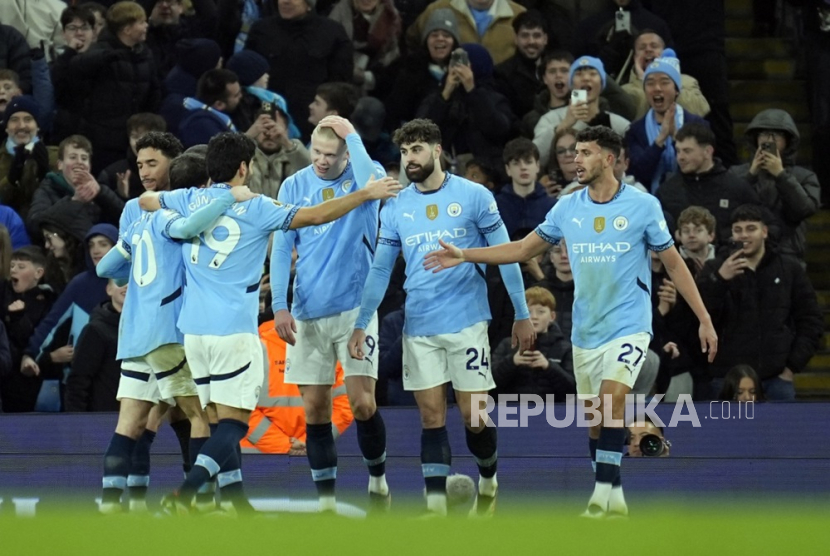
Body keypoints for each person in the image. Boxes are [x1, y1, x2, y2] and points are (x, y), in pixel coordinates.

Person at [424, 125, 717, 517]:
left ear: (608, 159)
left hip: (629, 325)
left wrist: (703, 318)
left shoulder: (643, 206)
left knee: (613, 402)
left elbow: (674, 263)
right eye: (575, 152)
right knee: (596, 423)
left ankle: (597, 501)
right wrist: (465, 254)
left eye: (584, 153)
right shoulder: (567, 207)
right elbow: (524, 248)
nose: (574, 160)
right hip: (586, 331)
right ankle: (617, 502)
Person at [139, 131, 400, 514]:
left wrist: (211, 205)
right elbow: (316, 216)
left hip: (192, 331)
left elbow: (147, 200)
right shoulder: (259, 206)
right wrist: (364, 195)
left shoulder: (189, 198)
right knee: (232, 425)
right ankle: (189, 492)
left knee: (210, 419)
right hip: (232, 330)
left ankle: (223, 503)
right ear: (244, 168)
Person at [348, 118, 534, 517]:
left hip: (467, 322)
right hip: (421, 325)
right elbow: (381, 270)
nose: (409, 159)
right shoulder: (396, 206)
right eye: (403, 152)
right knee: (431, 417)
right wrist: (362, 320)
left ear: (437, 149)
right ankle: (435, 508)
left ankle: (488, 480)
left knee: (473, 417)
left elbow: (508, 254)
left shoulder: (474, 196)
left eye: (416, 149)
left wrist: (521, 312)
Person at [95, 165, 256, 514]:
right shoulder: (169, 219)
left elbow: (104, 269)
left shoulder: (136, 222)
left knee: (132, 424)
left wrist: (135, 273)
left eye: (152, 163)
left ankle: (112, 509)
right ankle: (204, 503)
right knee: (205, 415)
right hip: (169, 331)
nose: (144, 171)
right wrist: (229, 197)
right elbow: (185, 227)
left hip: (135, 336)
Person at [270, 115, 391, 511]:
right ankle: (326, 504)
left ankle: (378, 481)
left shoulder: (364, 176)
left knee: (362, 404)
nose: (321, 161)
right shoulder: (294, 185)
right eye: (317, 152)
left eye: (330, 154)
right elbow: (280, 243)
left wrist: (352, 134)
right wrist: (279, 305)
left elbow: (370, 177)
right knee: (315, 408)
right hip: (306, 311)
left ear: (345, 154)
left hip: (355, 308)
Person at [696, 204, 823, 401]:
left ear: (764, 232)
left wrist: (791, 368)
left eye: (751, 228)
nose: (744, 235)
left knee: (781, 433)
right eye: (738, 230)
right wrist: (720, 279)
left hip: (776, 380)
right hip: (726, 379)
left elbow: (811, 320)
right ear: (731, 235)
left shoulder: (789, 268)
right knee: (724, 433)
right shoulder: (715, 269)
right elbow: (700, 317)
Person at [69, 1, 160, 173]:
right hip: (104, 141)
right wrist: (107, 57)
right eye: (141, 22)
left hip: (135, 140)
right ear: (127, 29)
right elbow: (76, 67)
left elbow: (154, 91)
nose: (146, 26)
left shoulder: (145, 53)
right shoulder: (101, 53)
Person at [241, 320, 354, 454]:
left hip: (256, 460)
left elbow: (240, 405)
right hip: (313, 455)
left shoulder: (251, 349)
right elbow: (345, 406)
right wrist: (310, 440)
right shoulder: (328, 348)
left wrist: (284, 445)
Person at [245, 0, 354, 139]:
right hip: (267, 117)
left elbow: (341, 86)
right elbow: (247, 79)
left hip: (311, 123)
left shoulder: (333, 33)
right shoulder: (261, 30)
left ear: (309, 4)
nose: (285, 2)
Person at [728, 108, 821, 263]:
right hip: (744, 251)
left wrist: (781, 175)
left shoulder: (804, 176)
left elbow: (803, 210)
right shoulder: (736, 173)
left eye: (776, 135)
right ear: (755, 138)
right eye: (764, 134)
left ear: (788, 140)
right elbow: (726, 207)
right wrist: (751, 175)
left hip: (787, 253)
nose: (769, 140)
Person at [656, 123, 760, 246]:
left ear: (707, 151)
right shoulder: (667, 190)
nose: (680, 157)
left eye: (687, 151)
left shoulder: (736, 188)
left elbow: (764, 223)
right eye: (678, 151)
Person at [624, 49, 708, 192]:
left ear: (676, 90)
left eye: (664, 82)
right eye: (650, 83)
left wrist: (676, 138)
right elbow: (638, 172)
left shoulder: (697, 125)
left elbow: (701, 166)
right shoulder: (635, 130)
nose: (657, 88)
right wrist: (660, 140)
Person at [533, 56, 630, 168]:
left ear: (602, 84)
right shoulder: (549, 119)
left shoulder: (618, 124)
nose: (586, 78)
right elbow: (534, 159)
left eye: (592, 74)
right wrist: (563, 126)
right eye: (579, 74)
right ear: (571, 84)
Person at [27, 135, 124, 239]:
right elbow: (35, 224)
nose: (79, 162)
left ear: (89, 165)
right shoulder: (47, 189)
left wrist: (101, 193)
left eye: (84, 158)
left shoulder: (100, 191)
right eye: (73, 157)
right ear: (60, 164)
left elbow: (127, 219)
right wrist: (73, 202)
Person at [491, 286, 574, 397]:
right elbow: (489, 386)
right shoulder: (507, 345)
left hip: (553, 412)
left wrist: (549, 367)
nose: (534, 317)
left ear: (552, 316)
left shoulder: (565, 348)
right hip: (509, 410)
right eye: (528, 312)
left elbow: (572, 389)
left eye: (540, 312)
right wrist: (512, 362)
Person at [0, 246, 56, 412]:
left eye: (21, 267)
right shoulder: (3, 291)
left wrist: (19, 318)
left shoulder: (48, 300)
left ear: (38, 273)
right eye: (12, 266)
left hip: (29, 380)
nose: (14, 271)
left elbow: (38, 338)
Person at [64, 279, 127, 412]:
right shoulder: (95, 330)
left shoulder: (149, 328)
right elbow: (78, 381)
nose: (126, 286)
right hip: (103, 420)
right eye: (120, 281)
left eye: (132, 282)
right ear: (109, 289)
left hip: (139, 418)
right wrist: (78, 424)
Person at [405, 0, 527, 65]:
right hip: (447, 92)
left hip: (504, 95)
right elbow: (413, 40)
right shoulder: (439, 9)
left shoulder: (519, 14)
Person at [620, 32, 709, 119]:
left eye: (654, 46)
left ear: (664, 52)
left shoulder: (687, 81)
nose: (648, 50)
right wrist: (644, 81)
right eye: (642, 48)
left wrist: (671, 83)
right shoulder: (624, 90)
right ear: (635, 57)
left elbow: (700, 110)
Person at [0, 95, 56, 220]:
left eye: (28, 119)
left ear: (37, 126)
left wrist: (45, 174)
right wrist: (11, 180)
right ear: (7, 127)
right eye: (14, 120)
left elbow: (63, 200)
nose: (21, 126)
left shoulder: (56, 156)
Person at [494, 10, 549, 122]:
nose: (531, 41)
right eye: (525, 35)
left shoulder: (558, 68)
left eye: (537, 35)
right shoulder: (502, 74)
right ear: (515, 39)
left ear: (545, 39)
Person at [495, 137, 555, 237]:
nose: (523, 167)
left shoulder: (554, 207)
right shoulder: (494, 208)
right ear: (508, 169)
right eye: (516, 163)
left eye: (528, 162)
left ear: (537, 166)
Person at [675, 205, 716, 275]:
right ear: (680, 236)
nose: (691, 235)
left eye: (698, 230)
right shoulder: (672, 260)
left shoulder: (722, 260)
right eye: (686, 231)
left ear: (711, 236)